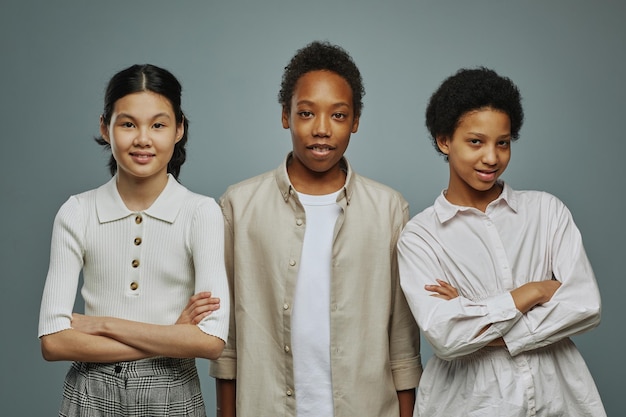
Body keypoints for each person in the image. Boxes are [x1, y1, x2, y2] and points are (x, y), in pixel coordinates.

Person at [209, 40, 422, 417]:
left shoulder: (389, 210)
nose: (322, 129)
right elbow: (228, 346)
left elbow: (403, 345)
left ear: (356, 121)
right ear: (285, 115)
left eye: (338, 116)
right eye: (306, 113)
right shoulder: (238, 207)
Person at [397, 67, 606, 416]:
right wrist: (533, 293)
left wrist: (473, 314)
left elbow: (585, 305)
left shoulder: (547, 211)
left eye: (503, 143)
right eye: (476, 142)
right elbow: (446, 336)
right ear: (444, 140)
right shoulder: (420, 237)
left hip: (561, 398)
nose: (492, 158)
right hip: (467, 404)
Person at [38, 63, 230, 417]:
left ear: (179, 129)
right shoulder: (77, 212)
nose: (143, 139)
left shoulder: (201, 213)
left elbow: (210, 341)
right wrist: (171, 337)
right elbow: (53, 341)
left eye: (158, 124)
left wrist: (102, 324)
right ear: (104, 126)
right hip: (89, 391)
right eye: (128, 124)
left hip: (172, 392)